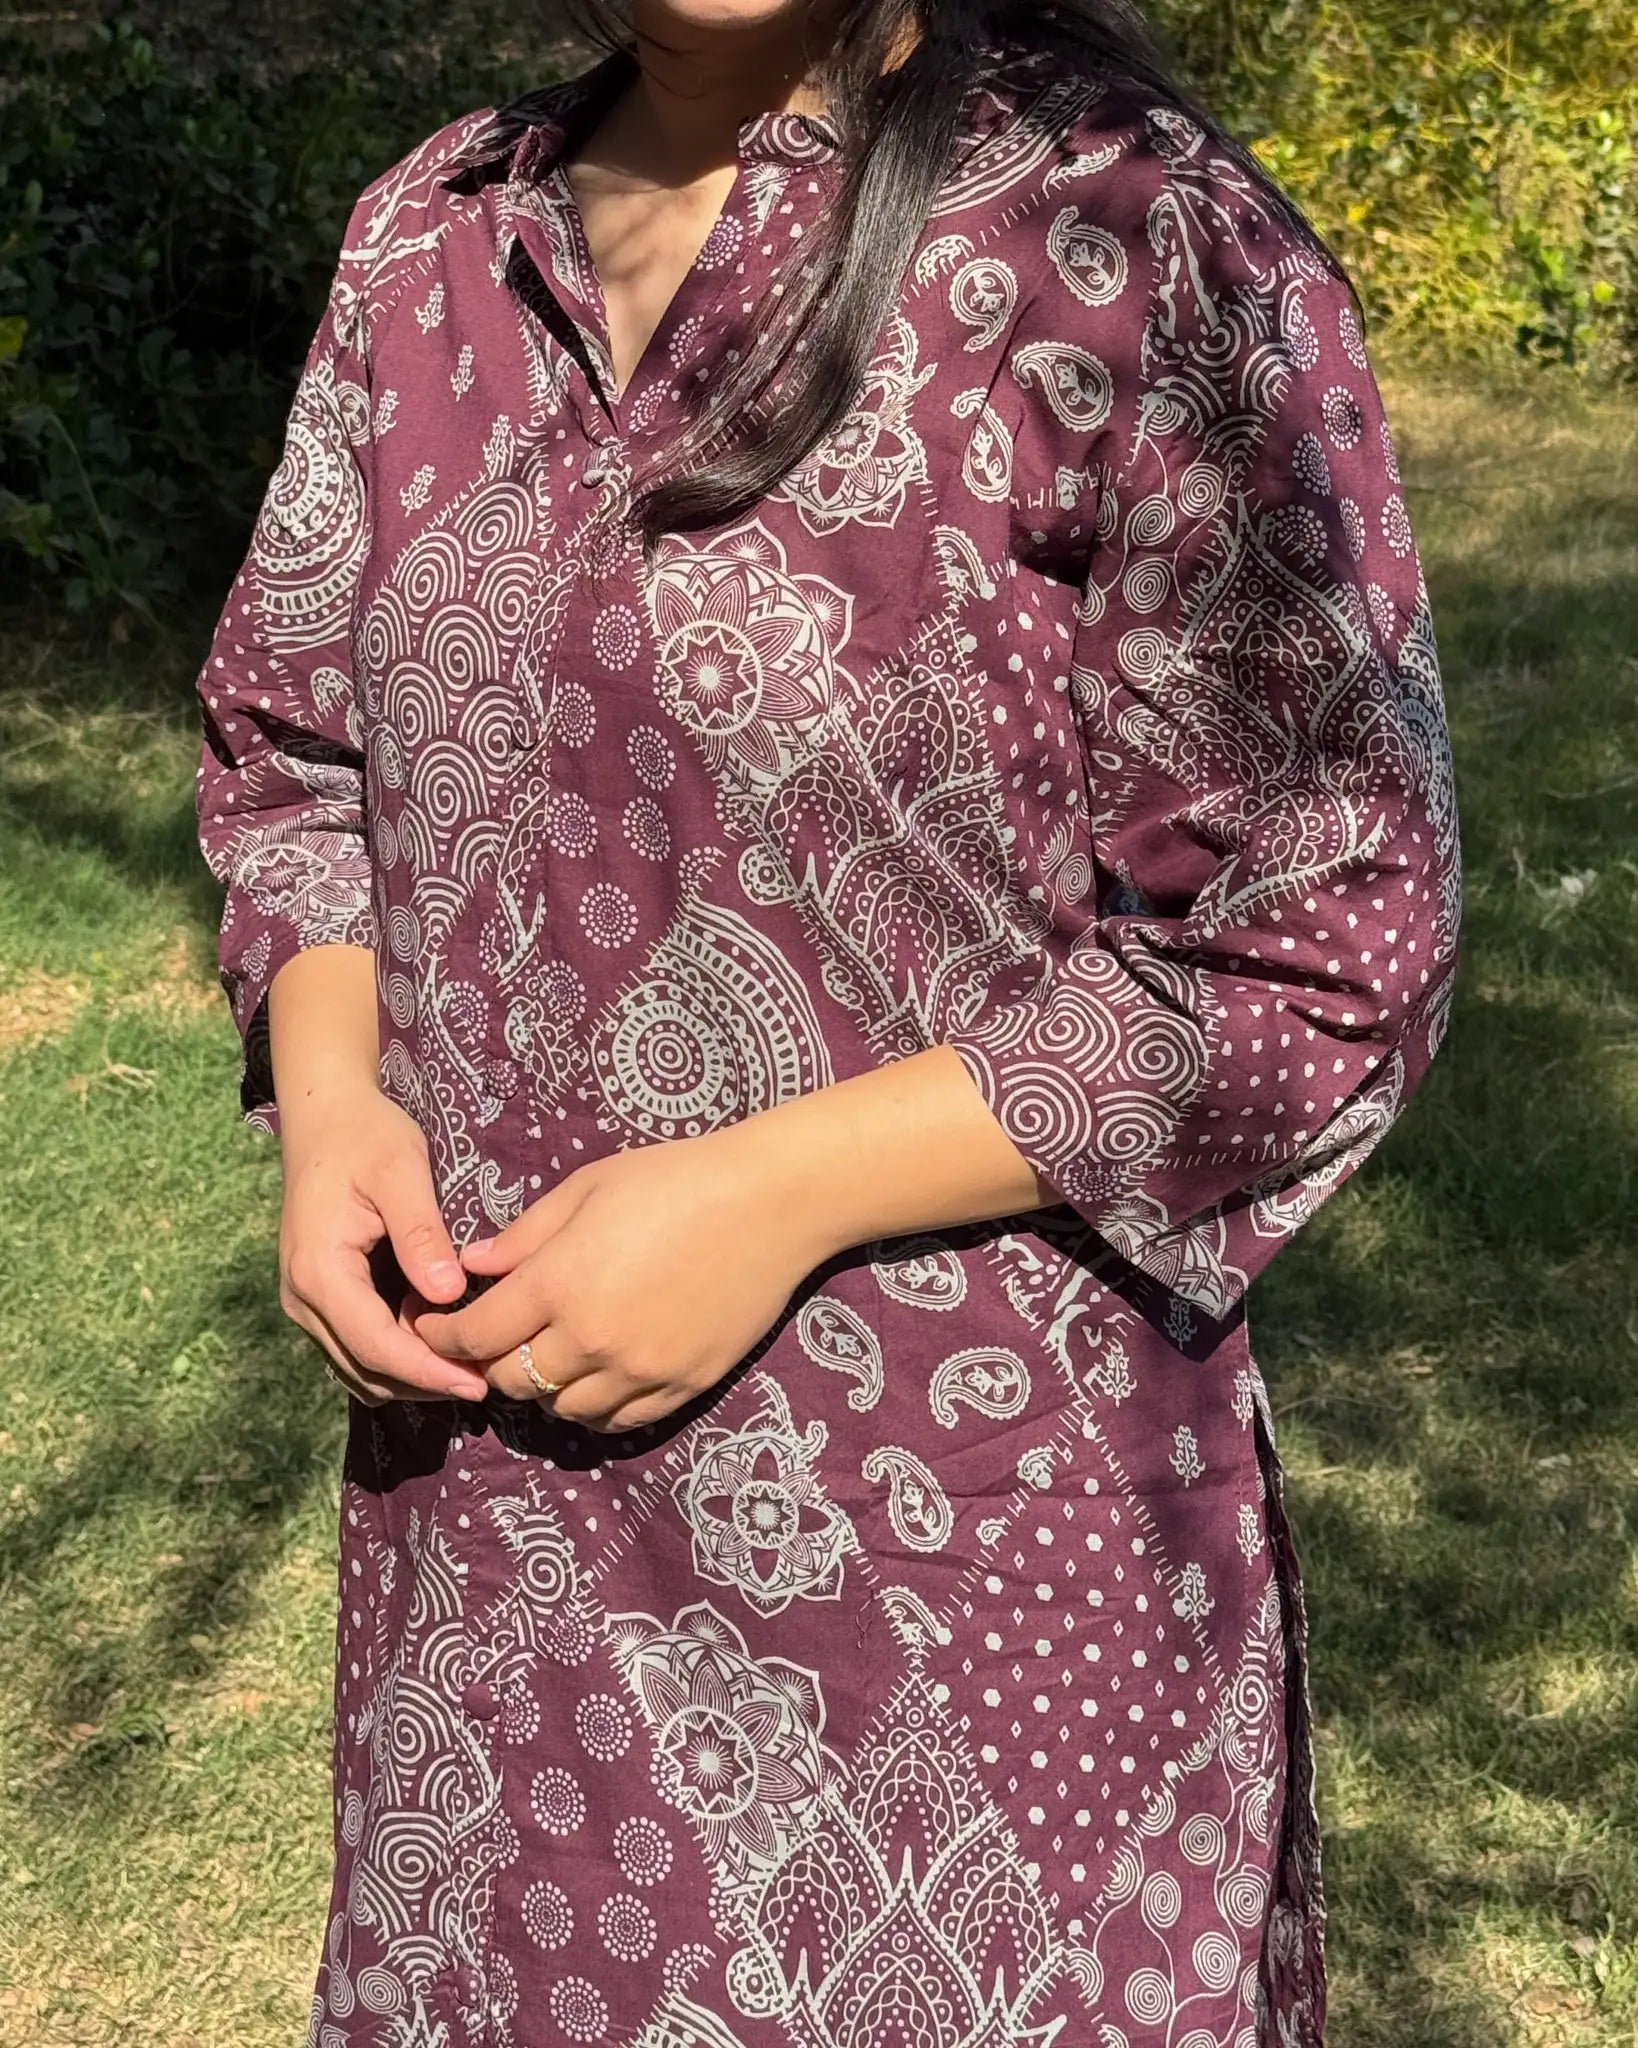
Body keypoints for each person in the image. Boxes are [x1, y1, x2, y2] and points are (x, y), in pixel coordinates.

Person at [192, 2, 1460, 2042]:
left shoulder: (1129, 239)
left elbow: (1327, 934)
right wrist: (335, 1104)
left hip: (950, 1640)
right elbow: (295, 751)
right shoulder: (431, 236)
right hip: (487, 1588)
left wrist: (769, 1195)